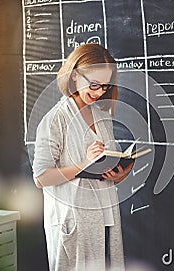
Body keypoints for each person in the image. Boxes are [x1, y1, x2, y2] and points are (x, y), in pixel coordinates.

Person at [32, 43, 133, 271]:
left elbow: (101, 167)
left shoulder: (101, 115)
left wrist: (118, 175)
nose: (99, 93)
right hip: (75, 221)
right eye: (94, 85)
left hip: (105, 219)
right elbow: (41, 178)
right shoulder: (55, 120)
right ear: (75, 75)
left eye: (105, 87)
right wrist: (84, 163)